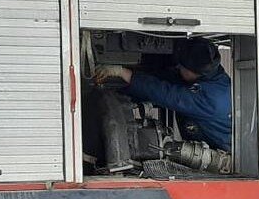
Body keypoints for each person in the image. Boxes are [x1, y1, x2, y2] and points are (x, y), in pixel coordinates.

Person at [94, 37, 232, 152]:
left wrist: (123, 73)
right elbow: (169, 80)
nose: (179, 68)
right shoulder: (214, 78)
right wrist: (120, 89)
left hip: (220, 155)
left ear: (195, 72)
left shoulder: (213, 99)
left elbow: (168, 94)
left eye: (182, 67)